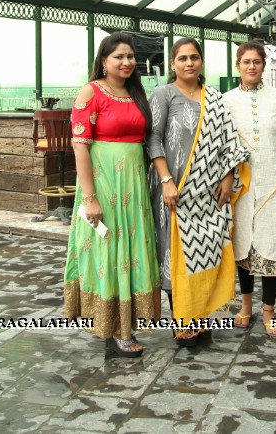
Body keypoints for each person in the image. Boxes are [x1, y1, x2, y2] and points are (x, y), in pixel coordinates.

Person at [147, 38, 250, 347]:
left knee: (207, 250)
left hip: (208, 192)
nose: (188, 63)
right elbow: (152, 138)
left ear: (201, 61)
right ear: (173, 64)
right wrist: (166, 179)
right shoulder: (163, 94)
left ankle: (201, 316)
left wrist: (228, 177)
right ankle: (183, 321)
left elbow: (229, 143)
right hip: (173, 192)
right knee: (173, 252)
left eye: (194, 57)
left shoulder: (215, 99)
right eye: (182, 58)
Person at [64, 32, 161, 358]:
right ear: (103, 61)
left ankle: (128, 323)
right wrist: (90, 198)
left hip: (133, 188)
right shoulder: (90, 92)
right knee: (109, 253)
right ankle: (114, 328)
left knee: (132, 252)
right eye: (119, 56)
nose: (126, 62)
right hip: (104, 187)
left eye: (131, 56)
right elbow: (80, 147)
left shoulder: (135, 93)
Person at [222, 41, 276, 337]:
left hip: (275, 183)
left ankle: (269, 310)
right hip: (241, 187)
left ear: (264, 66)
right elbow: (223, 146)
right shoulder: (226, 100)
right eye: (246, 62)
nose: (251, 66)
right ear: (238, 66)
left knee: (273, 244)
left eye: (257, 61)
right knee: (243, 246)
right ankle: (245, 306)